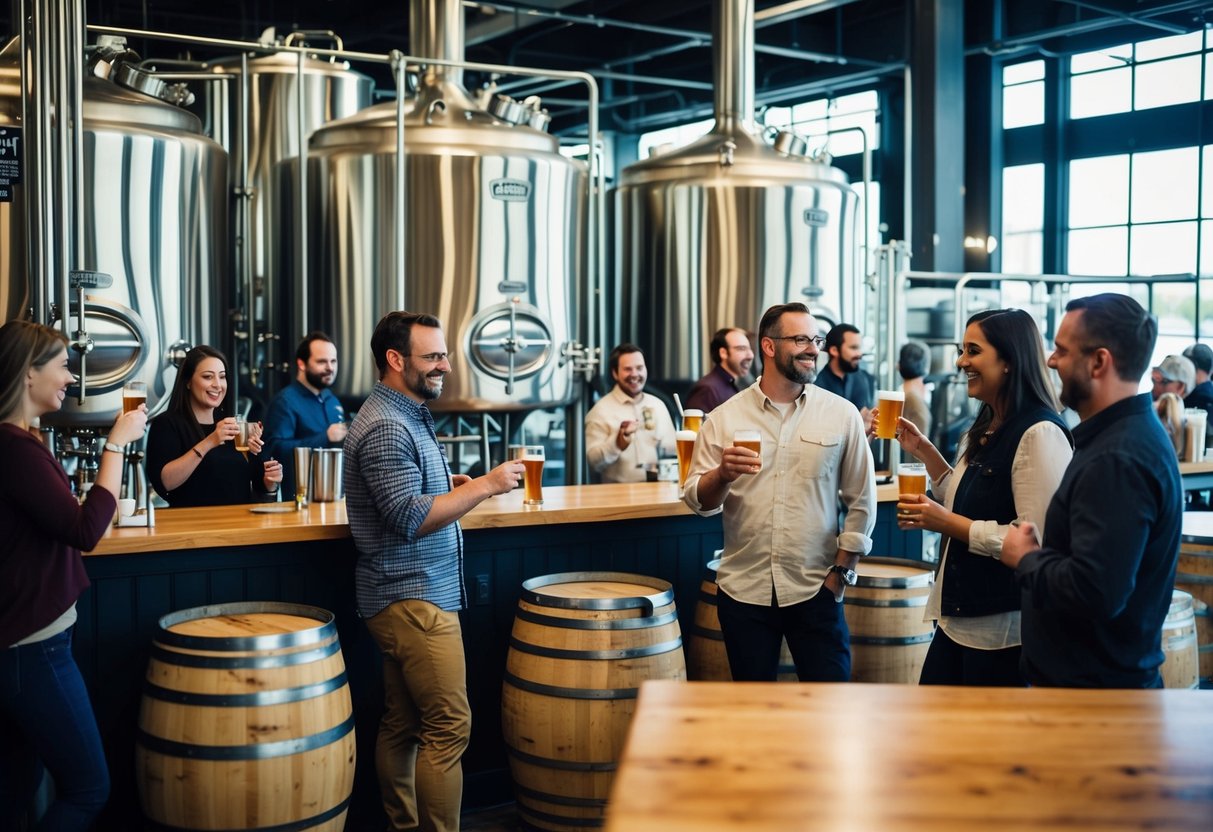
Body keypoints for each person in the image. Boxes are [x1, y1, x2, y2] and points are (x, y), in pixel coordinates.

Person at [343, 311, 525, 832]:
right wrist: (485, 485)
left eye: (444, 354)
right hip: (412, 596)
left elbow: (411, 498)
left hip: (409, 592)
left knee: (403, 723)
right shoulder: (385, 424)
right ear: (396, 360)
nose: (446, 364)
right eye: (433, 356)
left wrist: (451, 485)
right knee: (450, 725)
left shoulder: (403, 412)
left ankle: (404, 826)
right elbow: (408, 517)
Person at [0, 320, 147, 829]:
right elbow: (85, 529)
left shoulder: (21, 442)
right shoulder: (15, 449)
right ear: (27, 374)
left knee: (13, 793)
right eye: (62, 366)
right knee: (88, 790)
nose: (71, 378)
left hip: (22, 646)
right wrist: (116, 444)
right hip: (32, 650)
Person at [683, 302, 876, 682]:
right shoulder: (724, 417)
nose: (813, 348)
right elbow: (696, 501)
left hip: (817, 588)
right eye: (800, 339)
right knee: (754, 713)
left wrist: (840, 575)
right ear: (769, 347)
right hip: (744, 593)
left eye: (816, 339)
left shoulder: (843, 414)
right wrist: (721, 474)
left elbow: (862, 502)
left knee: (830, 705)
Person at [1002, 293, 1182, 688]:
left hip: (1095, 699)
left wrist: (1026, 558)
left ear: (1099, 361)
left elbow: (1095, 591)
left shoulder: (1117, 459)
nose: (1050, 360)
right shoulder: (1121, 439)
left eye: (1062, 351)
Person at [887, 309, 1073, 686]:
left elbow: (1037, 542)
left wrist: (946, 523)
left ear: (1008, 361)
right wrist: (923, 450)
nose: (961, 361)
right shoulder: (988, 423)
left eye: (973, 350)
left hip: (1001, 634)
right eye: (961, 349)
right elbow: (964, 495)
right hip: (957, 621)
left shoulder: (1039, 434)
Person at [146, 345, 283, 507]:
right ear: (188, 381)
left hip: (239, 525)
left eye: (222, 377)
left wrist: (271, 479)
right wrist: (211, 441)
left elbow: (259, 487)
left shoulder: (232, 425)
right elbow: (165, 483)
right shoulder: (167, 424)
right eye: (208, 377)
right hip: (191, 526)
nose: (218, 385)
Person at [264, 332, 347, 496]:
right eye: (322, 361)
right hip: (302, 501)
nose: (330, 368)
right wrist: (325, 437)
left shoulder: (332, 400)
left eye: (333, 361)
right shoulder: (285, 401)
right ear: (302, 364)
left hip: (337, 496)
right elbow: (274, 450)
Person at [584, 343, 677, 483]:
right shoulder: (600, 411)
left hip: (659, 492)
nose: (635, 374)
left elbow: (673, 453)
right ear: (615, 373)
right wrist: (616, 444)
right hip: (616, 496)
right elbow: (592, 463)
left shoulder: (658, 405)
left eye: (639, 368)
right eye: (627, 369)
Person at [814, 322, 875, 430]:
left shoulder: (861, 378)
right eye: (853, 348)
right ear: (834, 350)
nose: (859, 354)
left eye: (859, 348)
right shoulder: (818, 387)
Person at [685, 327, 754, 413]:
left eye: (749, 349)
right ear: (723, 353)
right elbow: (696, 426)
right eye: (741, 349)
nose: (750, 355)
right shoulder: (707, 390)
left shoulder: (733, 386)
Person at [898, 340, 932, 437]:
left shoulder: (902, 399)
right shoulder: (915, 403)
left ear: (899, 366)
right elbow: (916, 449)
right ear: (926, 367)